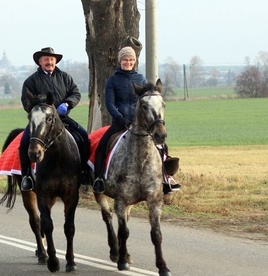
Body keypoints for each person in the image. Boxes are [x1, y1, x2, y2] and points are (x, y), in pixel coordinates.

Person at [92, 46, 181, 195]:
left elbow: (146, 103)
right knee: (102, 145)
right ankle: (99, 178)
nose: (128, 62)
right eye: (125, 59)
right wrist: (120, 118)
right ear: (120, 61)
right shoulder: (112, 80)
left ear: (135, 61)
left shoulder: (141, 79)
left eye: (131, 59)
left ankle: (166, 178)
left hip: (139, 123)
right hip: (119, 122)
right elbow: (110, 104)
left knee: (162, 146)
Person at [19, 47, 91, 191]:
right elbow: (26, 101)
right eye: (46, 59)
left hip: (63, 118)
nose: (49, 62)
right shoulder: (31, 81)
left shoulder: (65, 77)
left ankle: (84, 172)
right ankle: (26, 176)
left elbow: (75, 93)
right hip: (41, 122)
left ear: (55, 61)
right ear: (40, 62)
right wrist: (40, 111)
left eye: (52, 59)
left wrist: (67, 103)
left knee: (84, 137)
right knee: (24, 141)